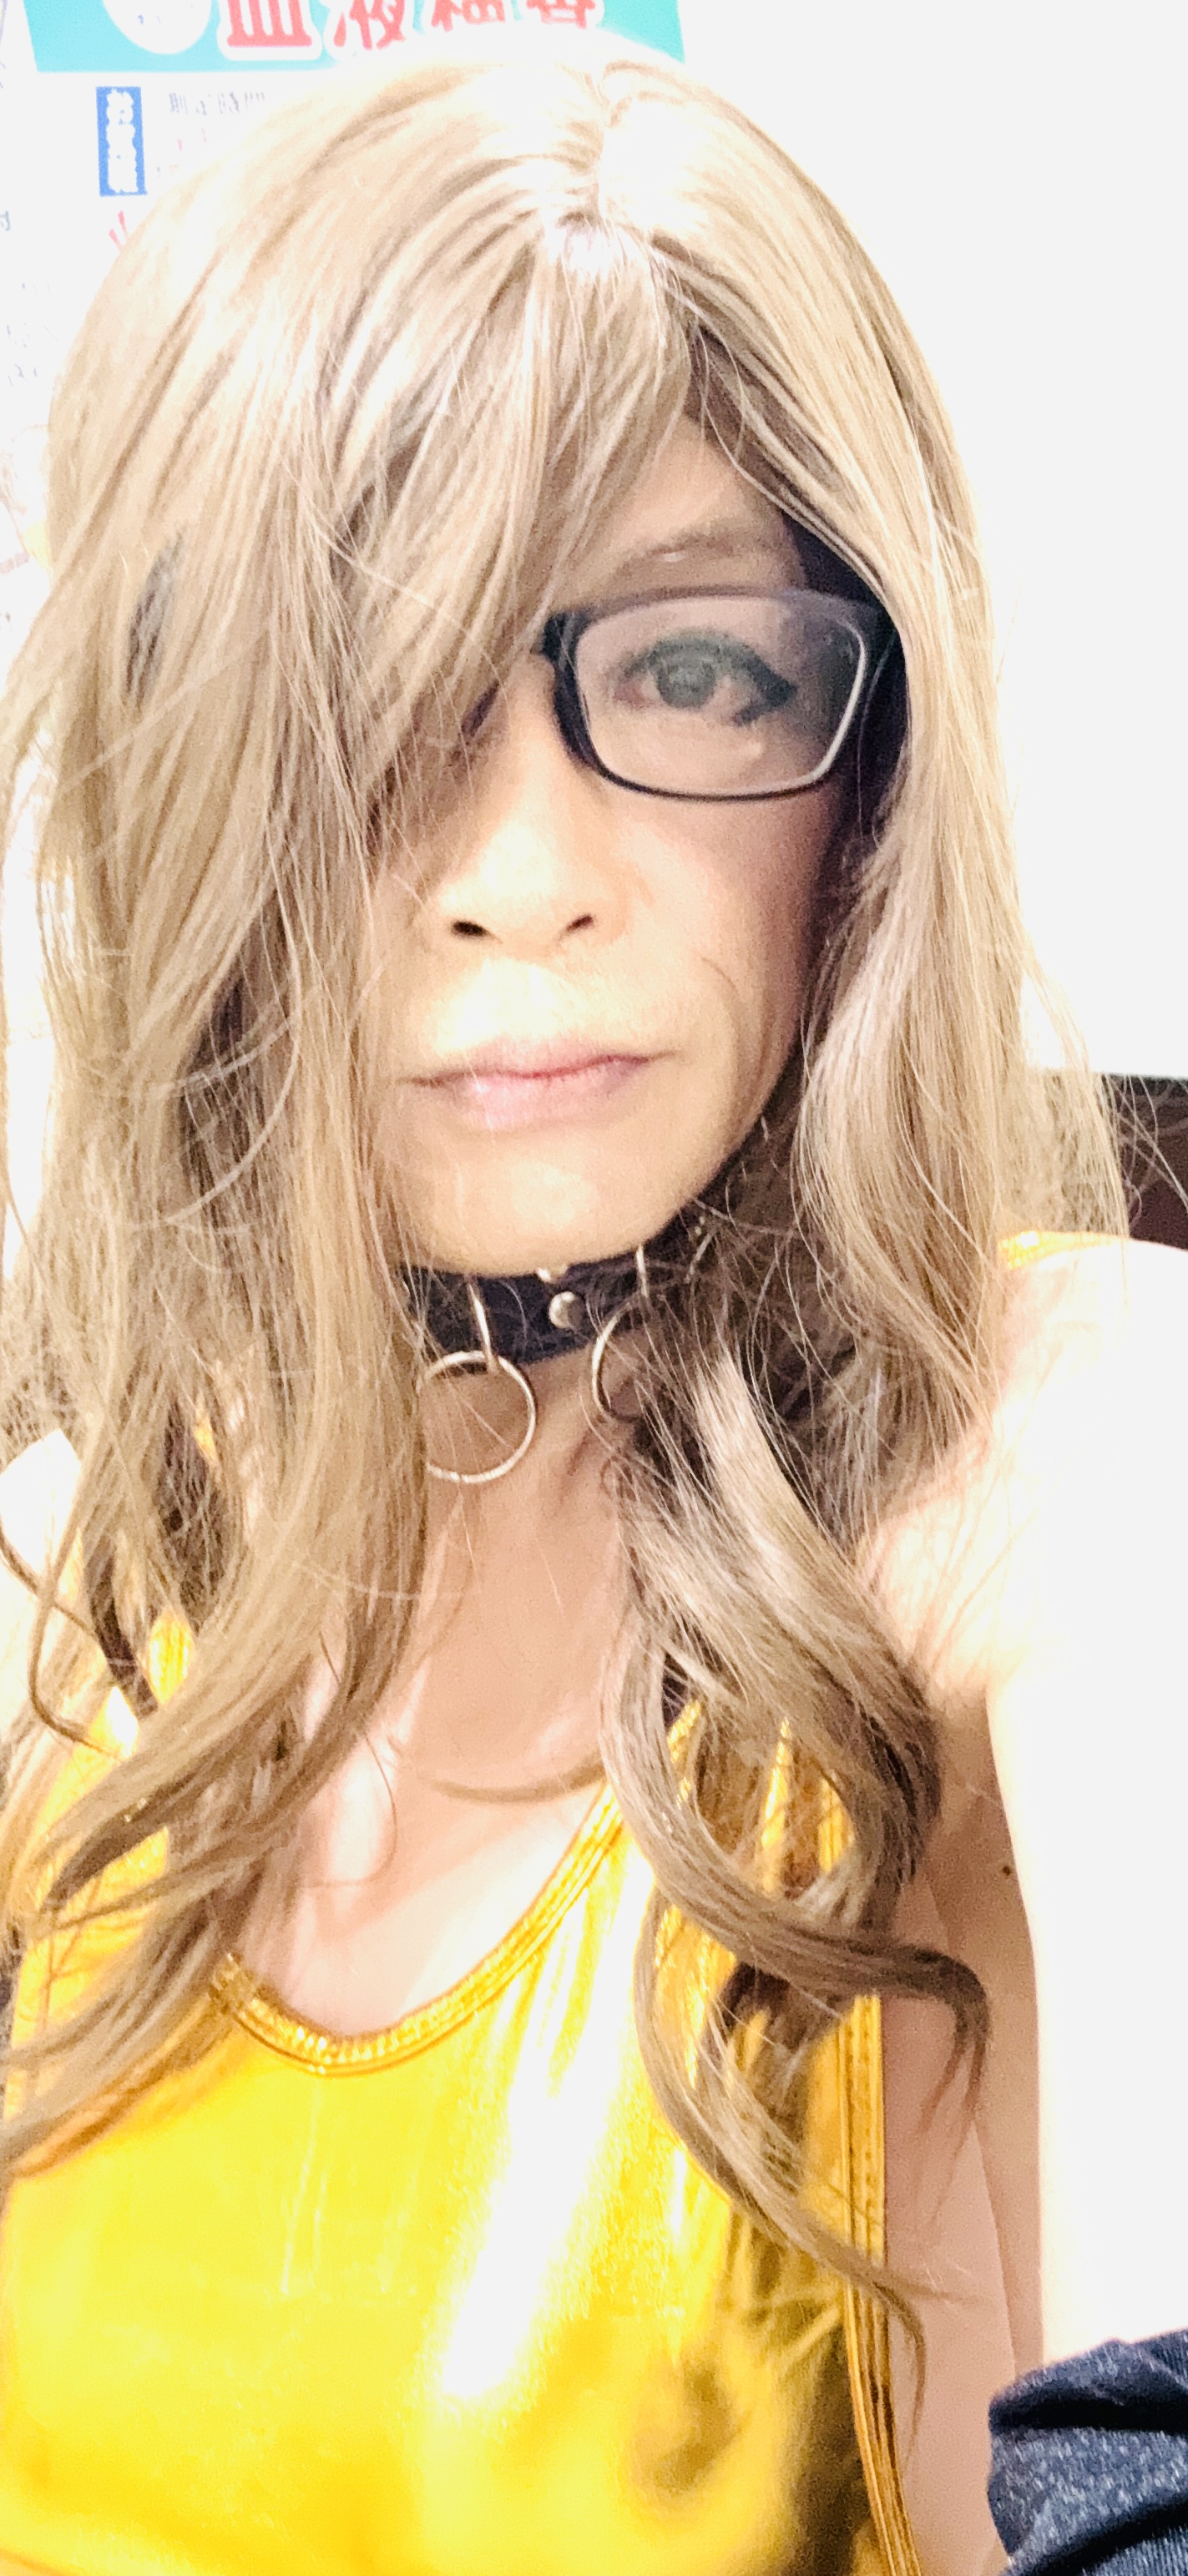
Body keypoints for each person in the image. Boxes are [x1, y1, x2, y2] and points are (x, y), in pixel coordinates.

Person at [0, 48, 1185, 2576]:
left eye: (695, 675)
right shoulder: (59, 1586)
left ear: (867, 761)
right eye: (367, 683)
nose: (520, 868)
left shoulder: (1062, 1477)